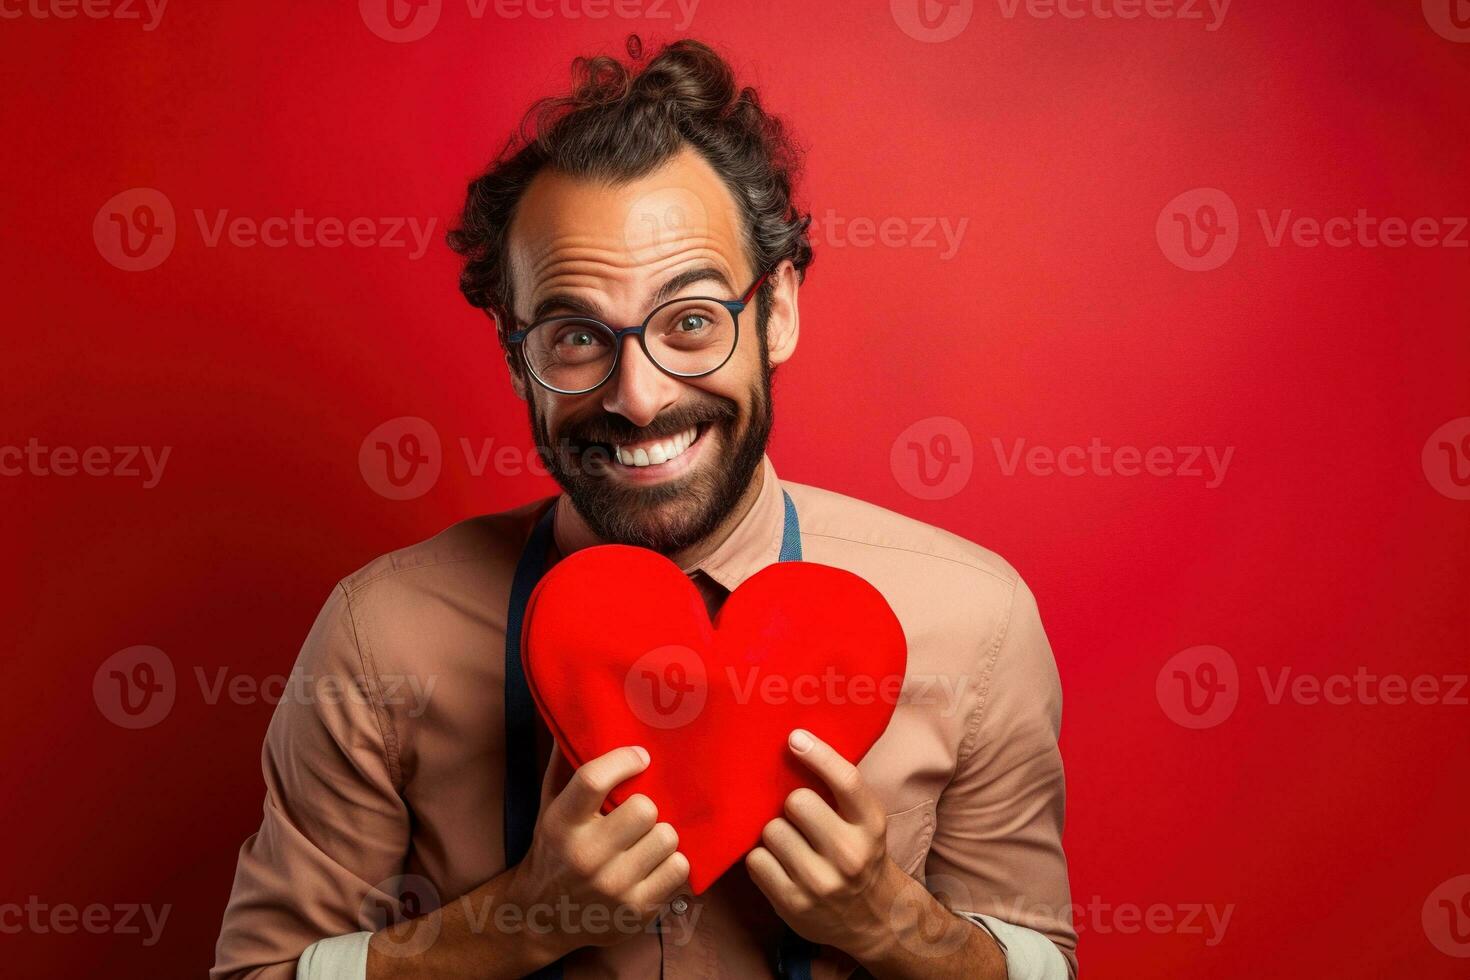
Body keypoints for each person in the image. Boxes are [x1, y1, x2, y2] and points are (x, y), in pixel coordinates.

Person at [212, 38, 1076, 980]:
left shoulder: (975, 623)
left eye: (691, 321)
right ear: (515, 356)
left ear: (776, 311)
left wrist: (884, 921)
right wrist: (517, 923)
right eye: (576, 334)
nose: (639, 395)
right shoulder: (379, 637)